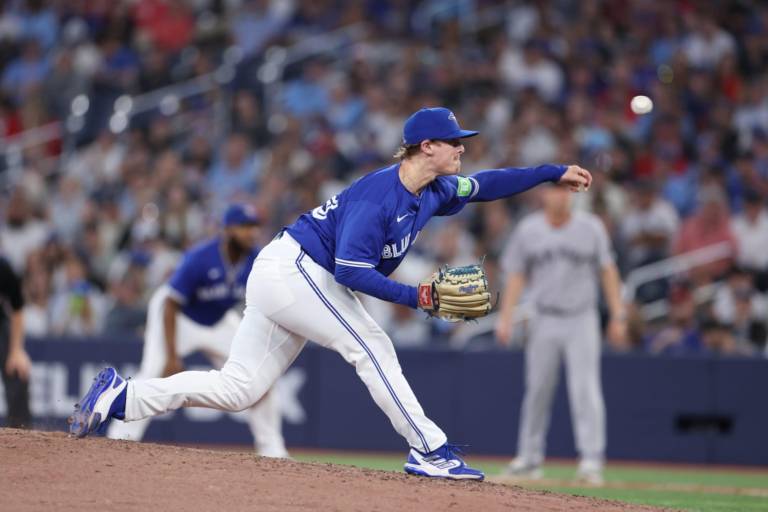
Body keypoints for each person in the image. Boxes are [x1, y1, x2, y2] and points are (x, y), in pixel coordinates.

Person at [69, 107, 591, 481]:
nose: (462, 148)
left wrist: (550, 174)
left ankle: (121, 395)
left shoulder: (435, 190)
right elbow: (351, 273)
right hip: (296, 270)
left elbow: (490, 184)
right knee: (371, 345)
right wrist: (418, 297)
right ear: (426, 146)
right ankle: (429, 449)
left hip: (293, 275)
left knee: (240, 388)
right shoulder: (377, 198)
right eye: (454, 141)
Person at [106, 204, 289, 458]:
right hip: (178, 316)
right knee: (152, 371)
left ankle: (272, 450)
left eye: (254, 227)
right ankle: (120, 437)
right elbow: (171, 302)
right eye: (245, 227)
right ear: (228, 230)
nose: (252, 232)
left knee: (259, 377)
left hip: (218, 320)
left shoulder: (256, 260)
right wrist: (172, 354)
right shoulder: (201, 257)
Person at [494, 183, 627, 485]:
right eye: (556, 189)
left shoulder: (590, 227)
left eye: (566, 190)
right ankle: (529, 458)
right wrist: (506, 317)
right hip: (543, 316)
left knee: (585, 389)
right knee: (537, 389)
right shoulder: (529, 229)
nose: (561, 195)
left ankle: (591, 461)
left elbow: (608, 270)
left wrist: (618, 314)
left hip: (582, 317)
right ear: (545, 194)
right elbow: (516, 274)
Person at [0, 255, 32, 428]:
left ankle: (21, 428)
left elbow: (17, 309)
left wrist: (16, 351)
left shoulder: (3, 268)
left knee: (18, 368)